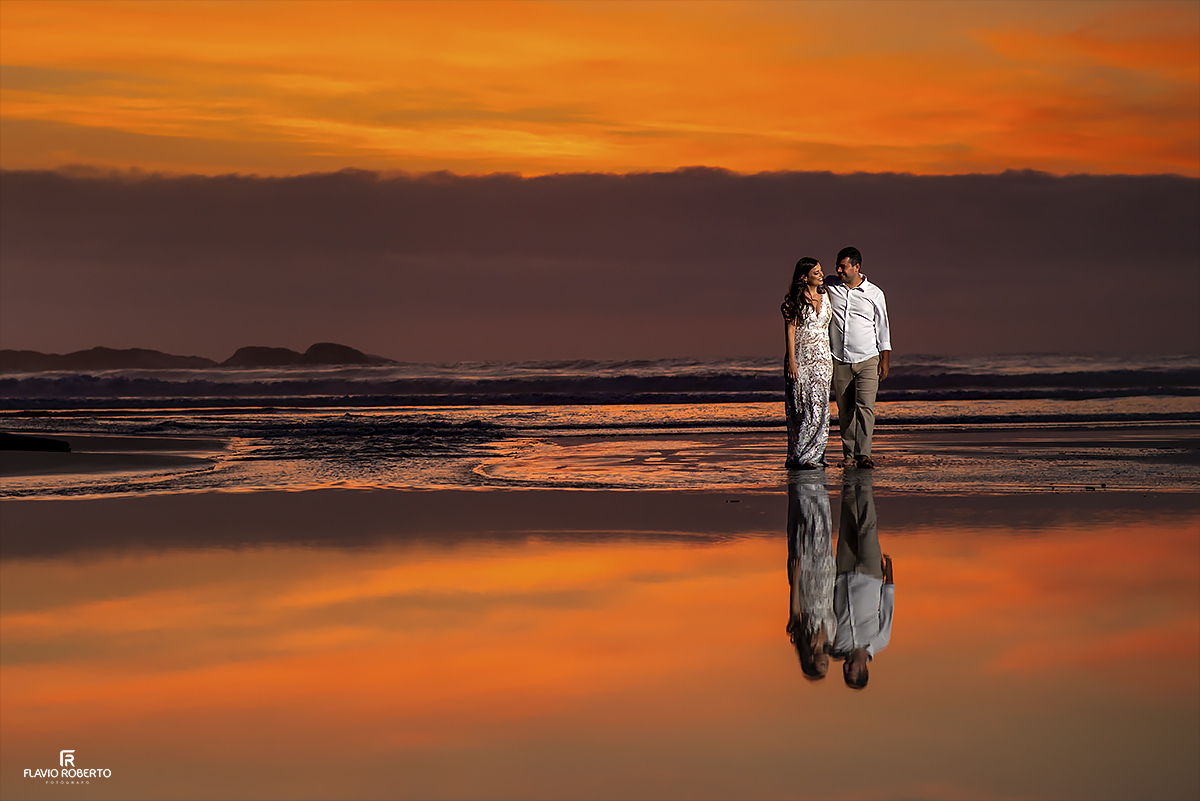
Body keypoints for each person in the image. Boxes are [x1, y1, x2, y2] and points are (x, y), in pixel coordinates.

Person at [824, 246, 890, 469]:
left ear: (857, 267)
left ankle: (864, 454)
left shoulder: (874, 293)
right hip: (839, 359)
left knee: (865, 408)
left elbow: (882, 328)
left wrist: (885, 359)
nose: (839, 270)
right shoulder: (831, 286)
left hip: (868, 358)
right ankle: (849, 455)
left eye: (843, 266)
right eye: (838, 266)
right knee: (845, 410)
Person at [830, 477, 893, 689]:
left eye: (845, 673)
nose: (846, 668)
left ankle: (849, 479)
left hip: (843, 573)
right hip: (871, 574)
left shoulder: (837, 645)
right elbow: (887, 607)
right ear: (864, 670)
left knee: (847, 522)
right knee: (867, 525)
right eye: (851, 672)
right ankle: (864, 481)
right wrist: (889, 575)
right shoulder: (880, 640)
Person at [781, 257, 832, 469]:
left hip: (823, 359)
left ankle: (816, 454)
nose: (821, 275)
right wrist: (792, 362)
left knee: (820, 406)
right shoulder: (795, 300)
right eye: (816, 273)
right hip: (801, 358)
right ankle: (800, 454)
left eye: (820, 271)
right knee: (802, 406)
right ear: (804, 277)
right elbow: (790, 331)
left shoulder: (826, 296)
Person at [785, 479, 836, 680]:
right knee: (823, 529)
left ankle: (804, 484)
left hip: (807, 582)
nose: (826, 662)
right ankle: (818, 485)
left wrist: (795, 577)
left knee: (806, 531)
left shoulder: (802, 637)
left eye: (821, 665)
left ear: (811, 661)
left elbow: (795, 610)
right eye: (826, 666)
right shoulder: (831, 637)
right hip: (826, 577)